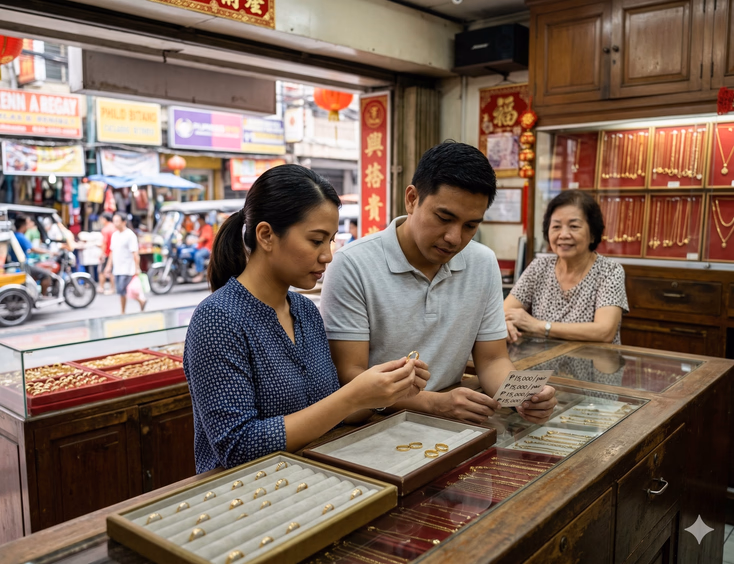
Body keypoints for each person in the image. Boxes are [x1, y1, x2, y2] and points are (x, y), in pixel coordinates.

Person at [183, 165, 426, 473]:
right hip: (242, 497)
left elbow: (325, 411)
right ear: (266, 235)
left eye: (331, 240)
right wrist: (350, 397)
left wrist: (381, 391)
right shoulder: (218, 319)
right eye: (316, 241)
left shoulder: (304, 310)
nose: (327, 255)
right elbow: (238, 446)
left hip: (311, 478)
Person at [321, 141, 557, 425]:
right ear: (412, 199)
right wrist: (434, 403)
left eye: (471, 226)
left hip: (450, 424)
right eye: (444, 218)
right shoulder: (353, 264)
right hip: (371, 424)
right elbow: (350, 375)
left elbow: (492, 360)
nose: (455, 238)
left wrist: (522, 396)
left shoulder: (482, 263)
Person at [504, 190, 628, 344]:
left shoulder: (609, 271)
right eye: (556, 227)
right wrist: (507, 323)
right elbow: (504, 312)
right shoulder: (539, 267)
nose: (563, 234)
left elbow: (604, 332)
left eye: (574, 226)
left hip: (593, 364)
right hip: (542, 363)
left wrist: (539, 326)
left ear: (593, 234)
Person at [104, 211, 145, 314]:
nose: (115, 223)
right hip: (117, 268)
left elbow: (135, 254)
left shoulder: (130, 235)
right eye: (114, 221)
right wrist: (109, 266)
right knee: (122, 291)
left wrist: (137, 268)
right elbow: (112, 252)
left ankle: (124, 311)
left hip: (127, 269)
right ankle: (140, 302)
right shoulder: (115, 235)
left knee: (123, 291)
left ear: (124, 222)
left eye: (117, 221)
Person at [8, 215, 53, 296]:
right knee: (47, 274)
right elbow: (33, 249)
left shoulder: (16, 235)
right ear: (23, 226)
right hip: (24, 265)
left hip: (20, 264)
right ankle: (42, 296)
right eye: (27, 224)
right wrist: (48, 252)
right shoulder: (20, 236)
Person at [98, 213, 116, 295]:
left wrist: (102, 254)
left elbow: (104, 243)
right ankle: (113, 288)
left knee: (103, 271)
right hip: (115, 252)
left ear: (105, 219)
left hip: (108, 253)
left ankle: (102, 287)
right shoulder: (114, 227)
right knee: (113, 271)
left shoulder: (105, 229)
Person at [191, 217, 213, 283]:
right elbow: (197, 233)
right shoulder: (201, 228)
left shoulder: (207, 227)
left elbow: (204, 238)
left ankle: (200, 274)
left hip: (207, 248)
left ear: (202, 220)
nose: (198, 222)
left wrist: (193, 241)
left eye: (199, 221)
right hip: (200, 247)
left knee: (198, 255)